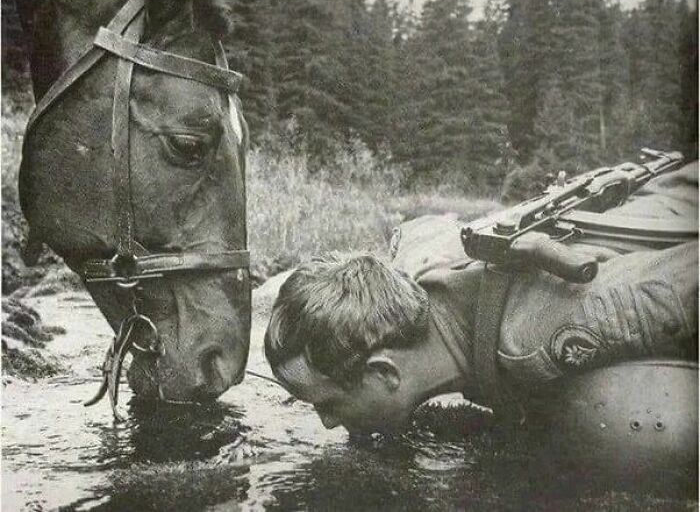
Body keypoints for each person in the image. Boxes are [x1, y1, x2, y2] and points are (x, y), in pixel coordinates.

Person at [263, 162, 698, 435]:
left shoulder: (549, 333)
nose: (325, 423)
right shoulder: (415, 271)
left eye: (328, 404)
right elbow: (421, 227)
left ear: (384, 373)